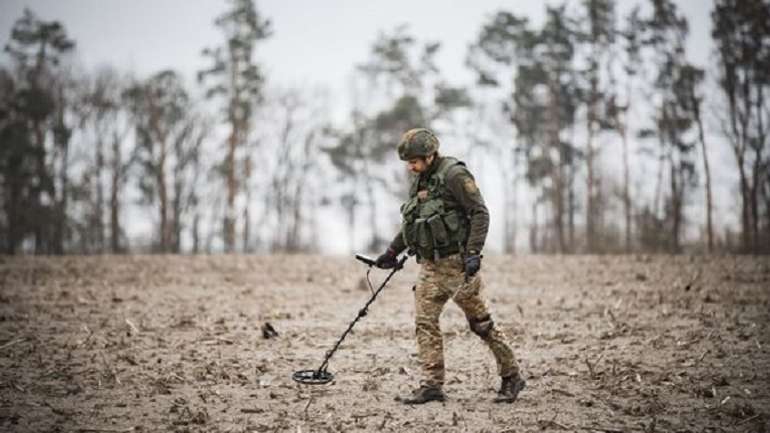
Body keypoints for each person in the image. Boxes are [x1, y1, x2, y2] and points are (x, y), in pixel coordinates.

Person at [375, 128, 526, 405]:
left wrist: (473, 253)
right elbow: (413, 222)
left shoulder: (454, 175)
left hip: (458, 266)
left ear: (431, 155)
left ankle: (512, 376)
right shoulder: (420, 179)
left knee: (481, 325)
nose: (411, 167)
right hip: (431, 267)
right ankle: (432, 385)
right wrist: (392, 250)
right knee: (425, 323)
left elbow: (480, 212)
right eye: (408, 162)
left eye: (415, 161)